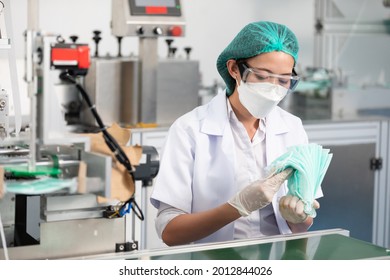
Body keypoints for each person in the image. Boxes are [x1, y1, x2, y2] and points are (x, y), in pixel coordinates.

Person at [150, 21, 321, 246]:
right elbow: (170, 232)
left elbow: (302, 223)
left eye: (283, 80)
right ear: (234, 69)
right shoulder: (189, 130)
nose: (273, 88)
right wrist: (235, 208)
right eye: (262, 76)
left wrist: (298, 218)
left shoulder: (292, 127)